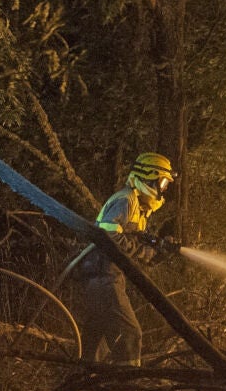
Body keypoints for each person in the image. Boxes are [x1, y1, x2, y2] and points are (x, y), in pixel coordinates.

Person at [69, 151, 178, 365]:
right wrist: (143, 251)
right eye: (163, 182)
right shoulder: (125, 200)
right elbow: (109, 236)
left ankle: (84, 384)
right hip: (103, 276)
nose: (163, 189)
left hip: (104, 275)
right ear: (149, 178)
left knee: (95, 339)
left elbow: (132, 244)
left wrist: (159, 251)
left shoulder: (138, 206)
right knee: (130, 333)